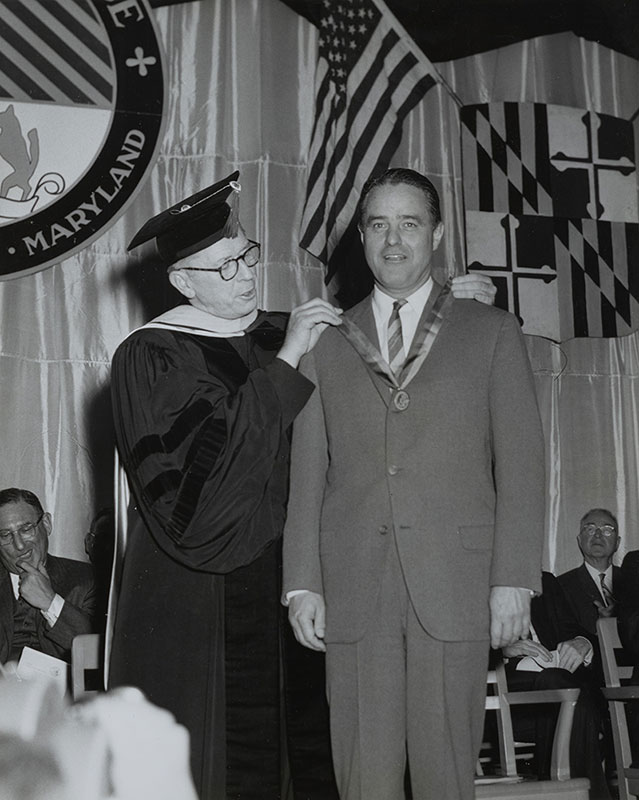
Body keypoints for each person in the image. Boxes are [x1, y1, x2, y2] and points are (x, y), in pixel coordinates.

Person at [107, 170, 499, 800]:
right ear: (183, 282)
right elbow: (196, 495)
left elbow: (394, 353)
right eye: (223, 268)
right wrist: (287, 362)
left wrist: (451, 300)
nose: (244, 276)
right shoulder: (152, 355)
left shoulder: (281, 331)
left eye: (246, 255)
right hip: (201, 600)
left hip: (296, 589)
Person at [283, 167, 545, 800]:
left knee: (444, 778)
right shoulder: (324, 341)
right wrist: (302, 583)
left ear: (437, 233)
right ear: (361, 239)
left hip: (455, 585)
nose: (393, 240)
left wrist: (514, 578)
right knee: (362, 780)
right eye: (378, 225)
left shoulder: (491, 331)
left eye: (409, 223)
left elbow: (523, 464)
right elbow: (307, 474)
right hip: (353, 588)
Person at [501, 571, 610, 799]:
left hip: (561, 688)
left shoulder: (545, 582)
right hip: (509, 699)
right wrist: (502, 649)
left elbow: (573, 629)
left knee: (565, 689)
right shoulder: (474, 581)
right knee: (569, 694)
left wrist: (583, 643)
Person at [0, 488, 95, 665]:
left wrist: (50, 602)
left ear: (46, 524)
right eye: (5, 535)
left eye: (26, 529)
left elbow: (95, 655)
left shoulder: (88, 579)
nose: (19, 545)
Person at [557, 508, 621, 637]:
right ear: (580, 540)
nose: (598, 535)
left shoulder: (633, 581)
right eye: (590, 529)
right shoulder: (560, 586)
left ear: (617, 543)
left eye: (607, 530)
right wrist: (601, 627)